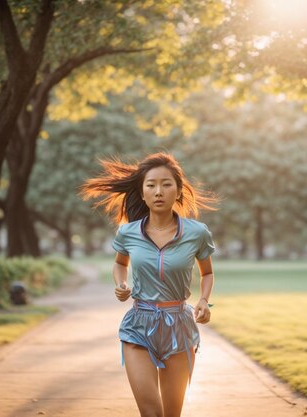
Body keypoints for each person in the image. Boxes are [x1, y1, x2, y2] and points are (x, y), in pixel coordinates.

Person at [81, 152, 217, 417]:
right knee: (151, 412)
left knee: (171, 414)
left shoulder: (197, 233)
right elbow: (120, 264)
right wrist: (121, 284)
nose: (158, 191)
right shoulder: (128, 232)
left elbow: (208, 272)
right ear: (142, 193)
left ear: (178, 191)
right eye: (151, 185)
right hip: (139, 326)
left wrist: (203, 300)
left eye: (166, 184)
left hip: (179, 326)